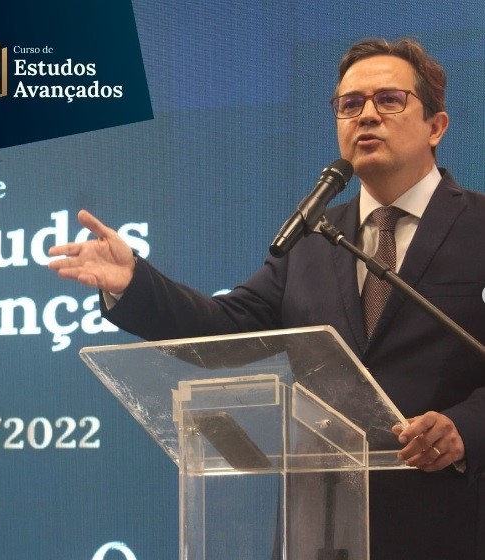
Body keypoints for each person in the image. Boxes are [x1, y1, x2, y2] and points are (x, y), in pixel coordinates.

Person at [49, 38, 485, 559]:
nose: (367, 115)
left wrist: (467, 427)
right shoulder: (313, 237)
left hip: (452, 523)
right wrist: (133, 283)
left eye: (389, 100)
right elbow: (223, 328)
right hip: (323, 532)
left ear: (436, 126)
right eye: (350, 104)